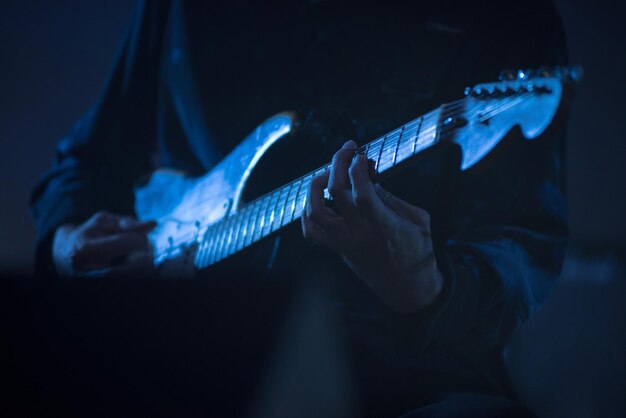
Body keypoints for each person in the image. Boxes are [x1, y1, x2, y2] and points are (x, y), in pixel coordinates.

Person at [30, 0, 569, 416]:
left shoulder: (501, 14)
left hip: (397, 376)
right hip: (182, 350)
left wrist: (426, 287)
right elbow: (82, 163)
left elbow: (523, 244)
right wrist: (67, 240)